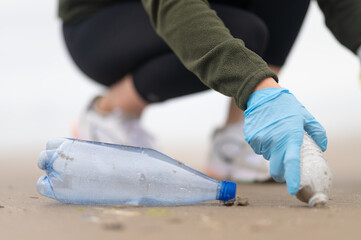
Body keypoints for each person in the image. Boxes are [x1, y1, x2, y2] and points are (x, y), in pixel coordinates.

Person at [59, 0, 361, 195]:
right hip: (99, 21)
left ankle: (235, 141)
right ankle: (110, 112)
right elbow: (175, 6)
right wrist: (260, 90)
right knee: (244, 33)